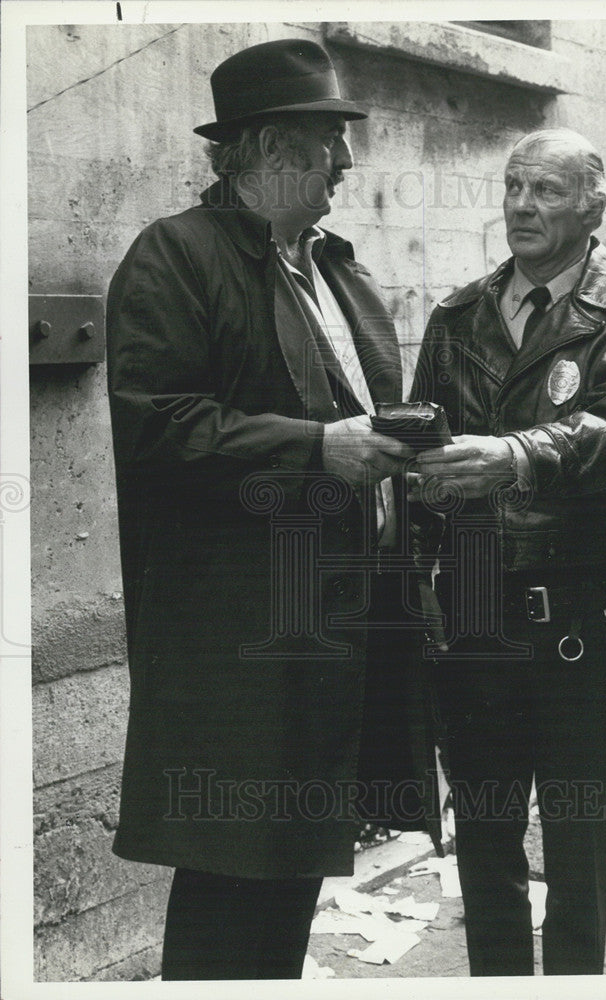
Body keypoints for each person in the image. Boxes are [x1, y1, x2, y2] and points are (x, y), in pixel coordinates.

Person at [106, 39, 440, 981]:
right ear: (264, 149)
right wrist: (315, 449)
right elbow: (158, 426)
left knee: (291, 872)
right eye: (329, 138)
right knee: (228, 879)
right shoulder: (175, 256)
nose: (345, 162)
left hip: (326, 627)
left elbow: (359, 404)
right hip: (235, 639)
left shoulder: (332, 267)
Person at [409, 127, 606, 976]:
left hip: (582, 614)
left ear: (593, 205)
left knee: (576, 842)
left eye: (548, 191)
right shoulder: (458, 317)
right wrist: (418, 570)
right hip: (477, 614)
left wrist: (516, 453)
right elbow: (425, 452)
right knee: (485, 838)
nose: (523, 207)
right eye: (514, 187)